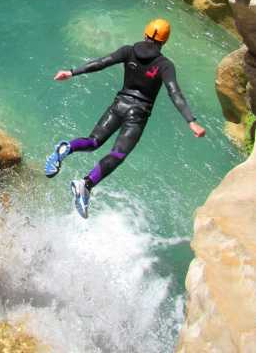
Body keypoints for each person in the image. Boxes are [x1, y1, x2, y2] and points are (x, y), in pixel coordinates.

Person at [45, 19, 206, 219]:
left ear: (144, 33)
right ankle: (85, 185)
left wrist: (71, 72)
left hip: (118, 105)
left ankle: (65, 148)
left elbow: (101, 62)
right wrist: (191, 121)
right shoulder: (165, 65)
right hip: (137, 114)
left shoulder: (128, 51)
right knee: (118, 155)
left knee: (93, 141)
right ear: (164, 41)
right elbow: (174, 92)